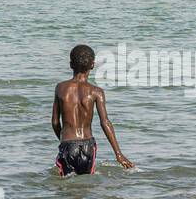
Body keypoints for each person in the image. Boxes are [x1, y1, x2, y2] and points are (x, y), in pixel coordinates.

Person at [51, 44, 134, 175]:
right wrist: (118, 154)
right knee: (87, 185)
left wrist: (63, 140)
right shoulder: (96, 91)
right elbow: (105, 122)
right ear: (92, 65)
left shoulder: (60, 88)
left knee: (66, 188)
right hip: (88, 146)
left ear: (71, 64)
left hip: (68, 144)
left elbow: (55, 122)